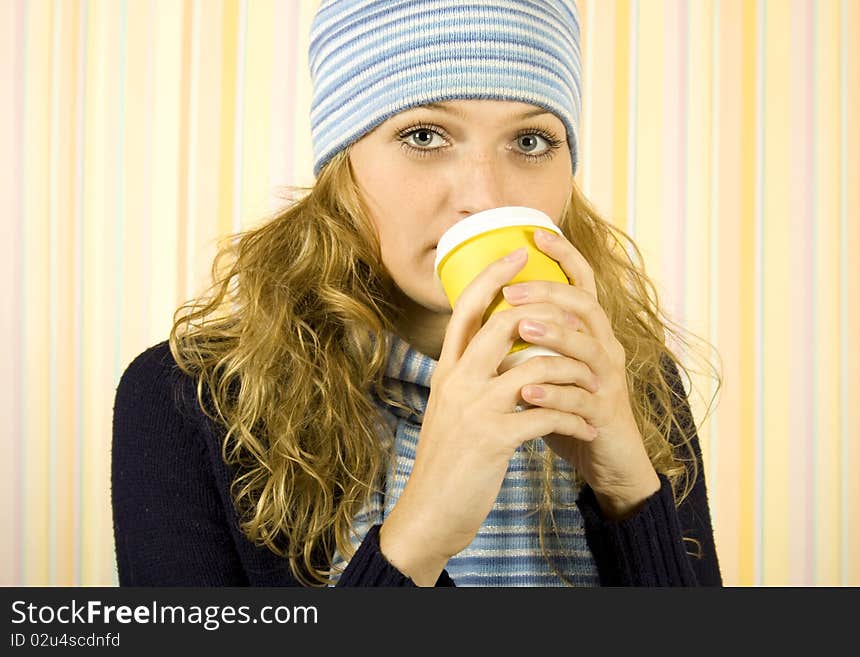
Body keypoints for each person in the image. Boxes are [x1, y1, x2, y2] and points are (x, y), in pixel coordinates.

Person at [111, 0, 722, 587]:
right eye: (426, 136)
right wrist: (419, 535)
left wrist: (632, 495)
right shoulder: (189, 399)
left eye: (530, 141)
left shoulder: (632, 378)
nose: (484, 196)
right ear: (341, 167)